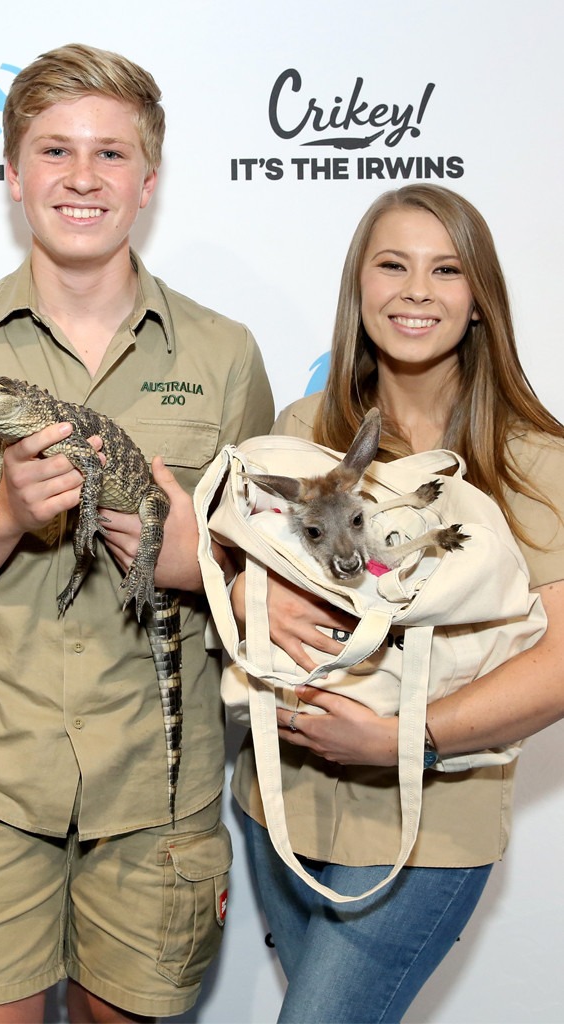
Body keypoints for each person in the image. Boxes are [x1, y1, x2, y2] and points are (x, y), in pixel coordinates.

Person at [0, 43, 273, 1024]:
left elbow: (270, 578)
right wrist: (0, 515)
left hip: (155, 788)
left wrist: (192, 559)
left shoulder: (222, 354)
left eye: (111, 154)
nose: (83, 178)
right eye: (55, 151)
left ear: (149, 180)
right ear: (11, 173)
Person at [230, 184, 564, 1023]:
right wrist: (243, 590)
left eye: (446, 269)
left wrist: (401, 740)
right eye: (393, 265)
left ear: (479, 299)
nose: (417, 290)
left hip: (430, 825)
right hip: (281, 801)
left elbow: (559, 661)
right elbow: (247, 569)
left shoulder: (536, 461)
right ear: (360, 288)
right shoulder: (301, 429)